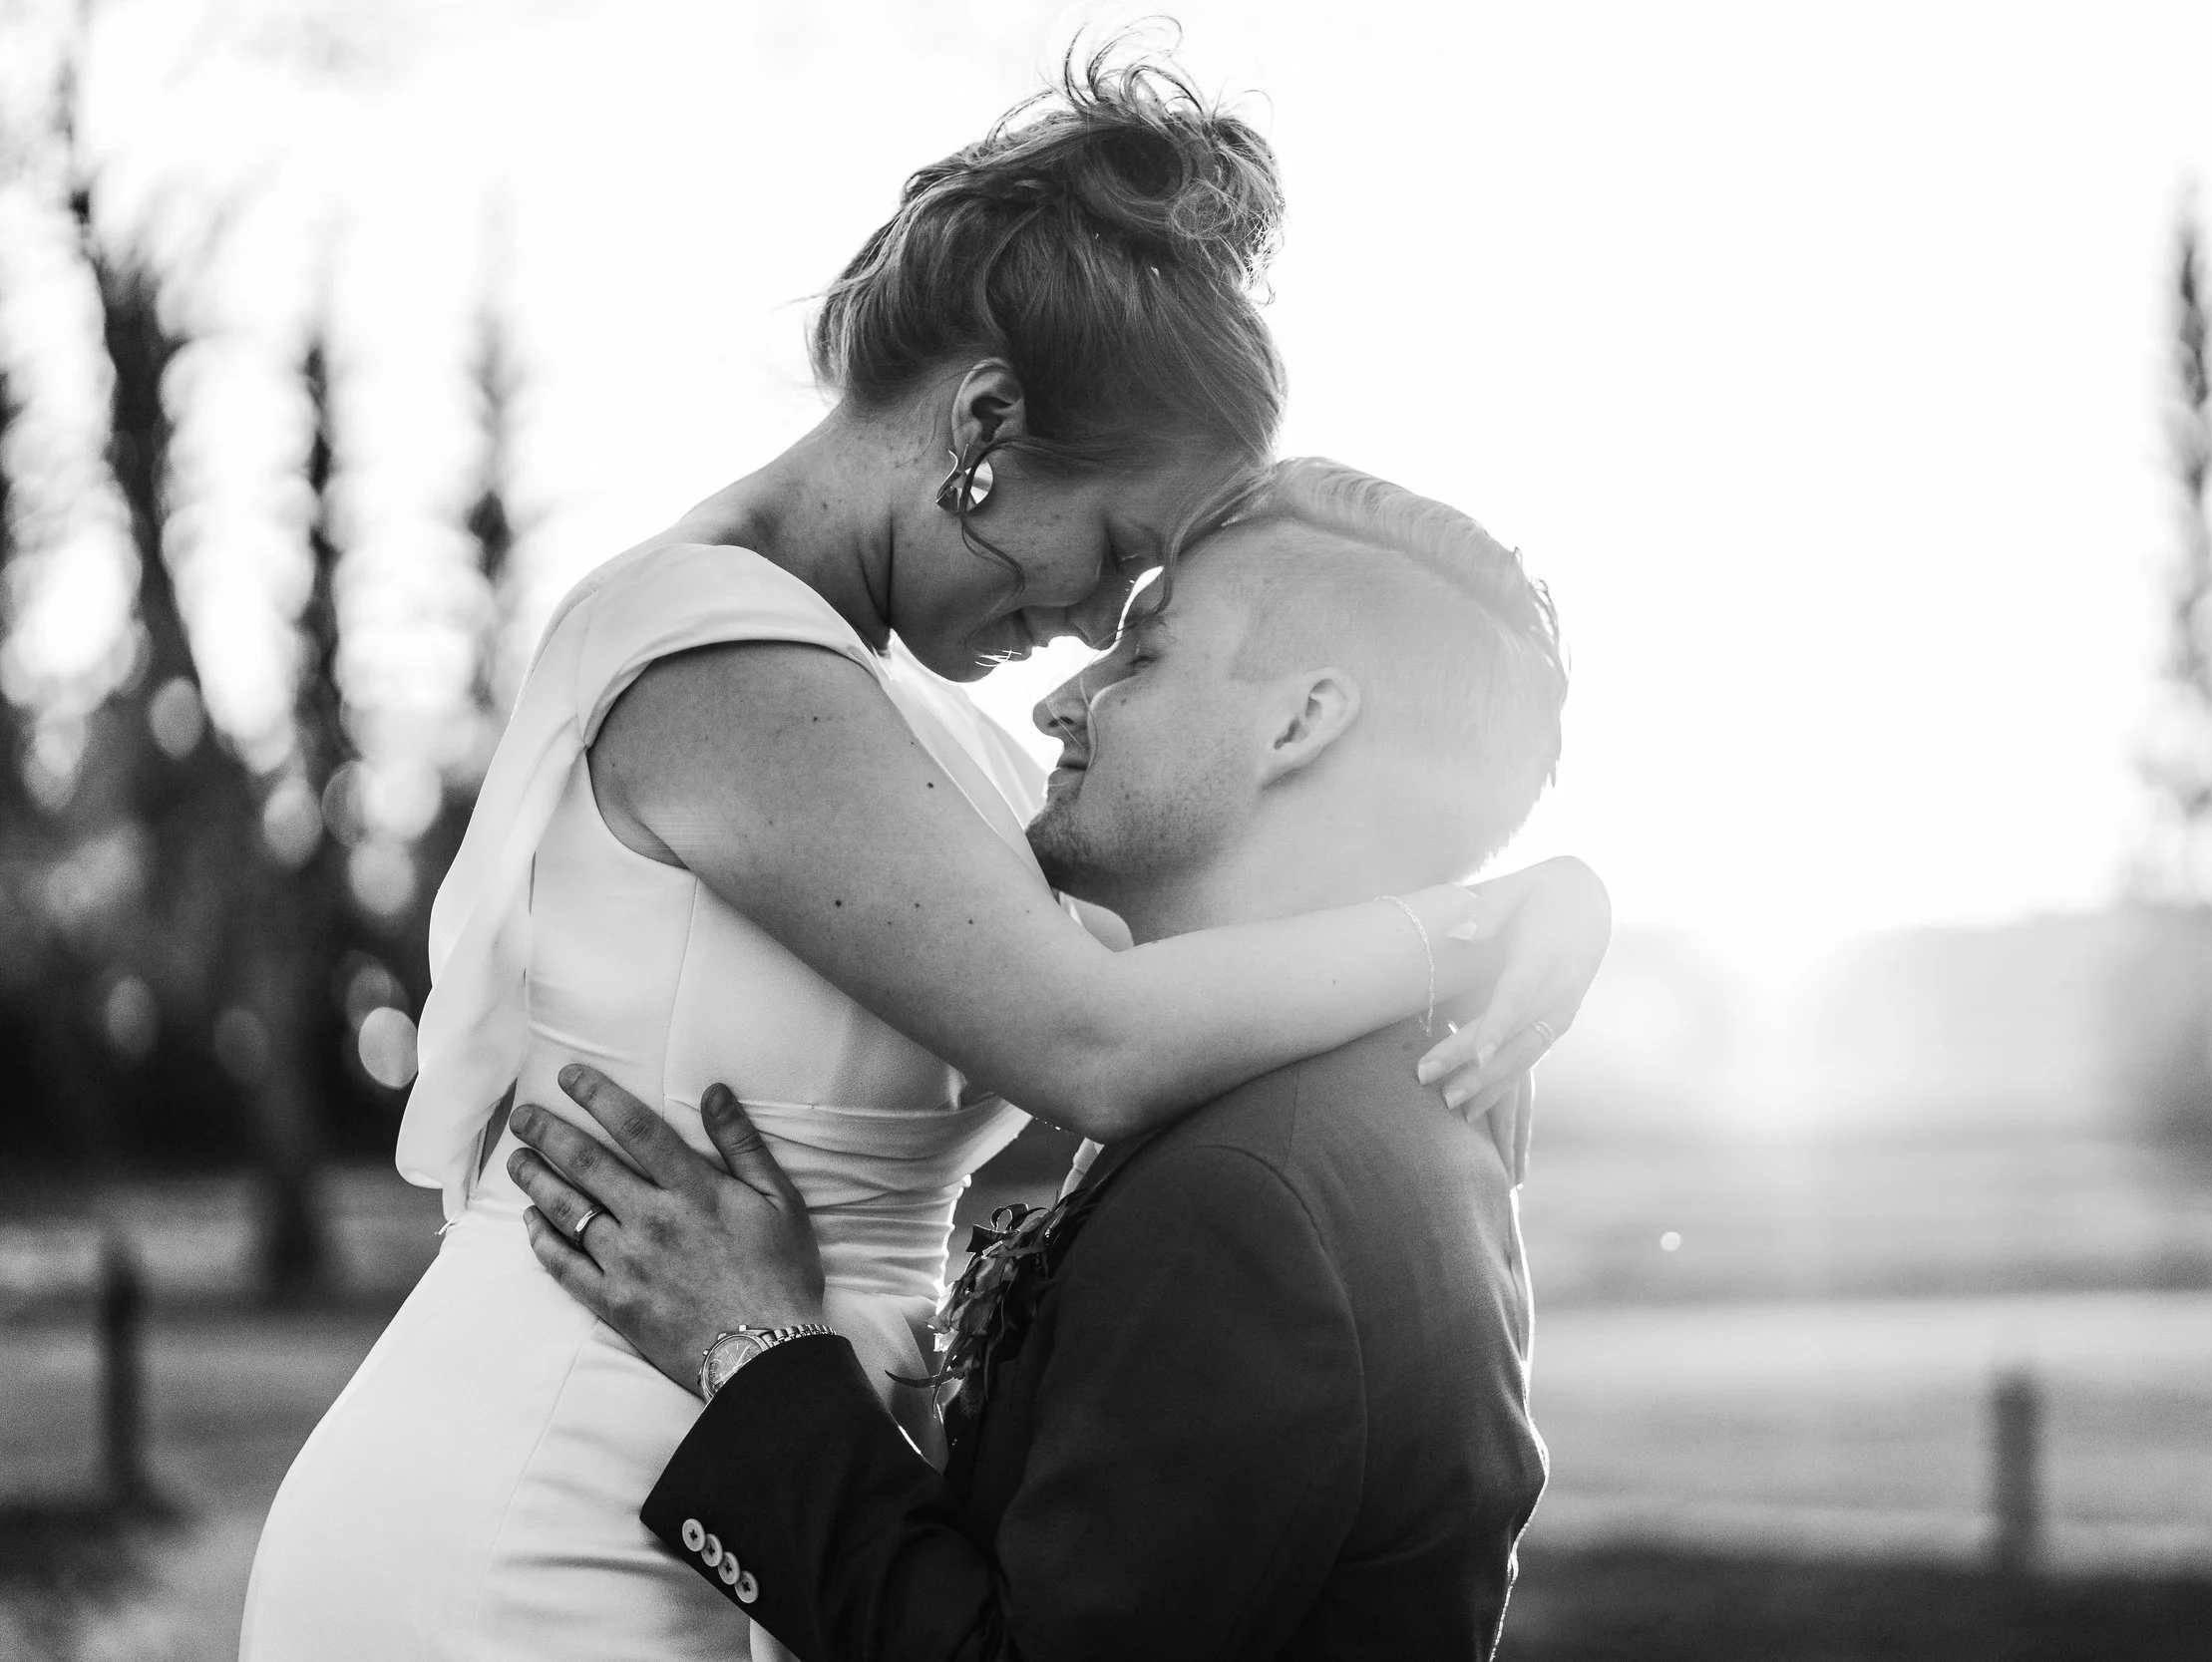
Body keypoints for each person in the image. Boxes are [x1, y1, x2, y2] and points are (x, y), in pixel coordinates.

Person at [238, 50, 1602, 1662]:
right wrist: (1468, 927)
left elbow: (1230, 979)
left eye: (1146, 612)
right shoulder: (711, 657)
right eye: (1117, 552)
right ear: (984, 421)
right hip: (552, 1498)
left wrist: (1547, 910)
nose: (1088, 633)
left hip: (786, 1511)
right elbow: (1101, 1044)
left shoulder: (937, 748)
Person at [508, 459, 1575, 1660]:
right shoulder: (1346, 1108)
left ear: (1299, 723)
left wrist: (750, 1349)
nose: (1061, 702)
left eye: (1142, 656)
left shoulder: (1252, 1191)